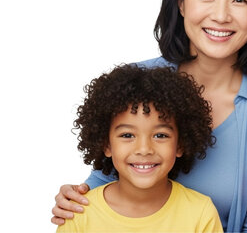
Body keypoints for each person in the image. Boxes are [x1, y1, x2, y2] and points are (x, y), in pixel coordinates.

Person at [52, 0, 247, 232]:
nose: (221, 15)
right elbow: (108, 178)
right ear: (181, 2)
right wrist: (75, 198)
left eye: (240, 0)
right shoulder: (136, 82)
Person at [57, 65, 222, 232]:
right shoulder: (78, 213)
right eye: (127, 135)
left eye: (160, 135)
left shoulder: (200, 213)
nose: (144, 149)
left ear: (180, 144)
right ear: (106, 145)